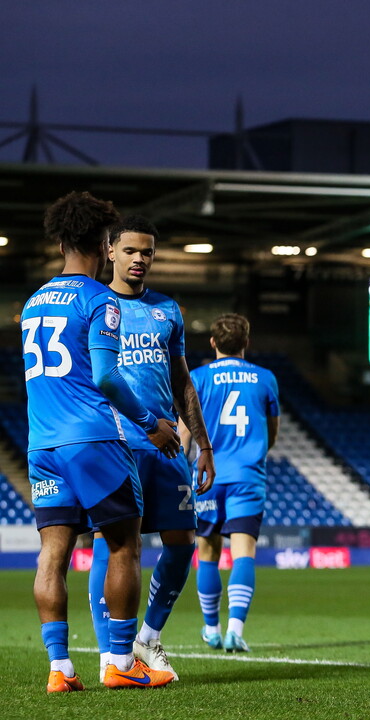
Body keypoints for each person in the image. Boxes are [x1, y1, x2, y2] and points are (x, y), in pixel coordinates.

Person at [23, 191, 179, 691]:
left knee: (53, 555)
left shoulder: (33, 301)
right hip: (92, 437)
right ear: (104, 241)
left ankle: (60, 668)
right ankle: (119, 661)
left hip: (42, 443)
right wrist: (151, 420)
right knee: (123, 548)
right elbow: (109, 376)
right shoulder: (100, 299)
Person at [87, 215, 216, 681]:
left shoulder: (168, 309)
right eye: (131, 251)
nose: (140, 259)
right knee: (115, 542)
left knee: (183, 542)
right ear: (110, 252)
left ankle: (148, 637)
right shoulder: (94, 305)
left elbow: (182, 380)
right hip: (116, 441)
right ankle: (110, 654)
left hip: (166, 446)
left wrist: (200, 441)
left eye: (148, 252)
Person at [181, 314, 280, 653]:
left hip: (207, 476)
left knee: (207, 552)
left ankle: (211, 629)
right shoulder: (265, 379)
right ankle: (235, 630)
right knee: (243, 554)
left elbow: (184, 434)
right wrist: (253, 455)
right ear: (246, 343)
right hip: (247, 475)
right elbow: (272, 433)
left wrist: (185, 465)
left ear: (212, 342)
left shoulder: (196, 378)